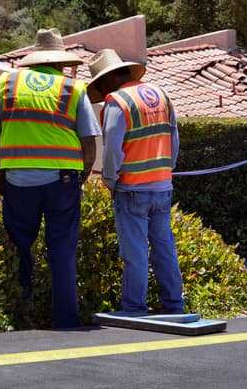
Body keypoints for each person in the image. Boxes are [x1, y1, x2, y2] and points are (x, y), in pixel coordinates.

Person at [0, 28, 99, 329]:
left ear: (33, 58)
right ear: (61, 61)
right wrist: (81, 177)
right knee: (62, 248)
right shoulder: (72, 89)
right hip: (62, 181)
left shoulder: (7, 82)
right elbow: (89, 141)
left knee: (19, 246)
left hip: (18, 180)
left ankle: (21, 316)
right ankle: (66, 319)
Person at [87, 48, 184, 315]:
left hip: (131, 190)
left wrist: (110, 181)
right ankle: (174, 305)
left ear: (106, 80)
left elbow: (112, 152)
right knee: (164, 248)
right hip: (163, 186)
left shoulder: (117, 102)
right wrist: (165, 170)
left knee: (135, 252)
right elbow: (174, 142)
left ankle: (134, 308)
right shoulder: (162, 96)